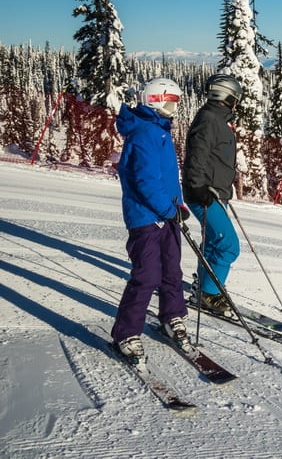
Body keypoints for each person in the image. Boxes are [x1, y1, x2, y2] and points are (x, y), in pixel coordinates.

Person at [111, 77, 192, 370]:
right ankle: (127, 334)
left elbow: (166, 177)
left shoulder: (159, 130)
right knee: (146, 275)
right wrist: (167, 209)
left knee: (172, 269)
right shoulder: (145, 133)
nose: (175, 107)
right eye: (172, 101)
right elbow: (145, 183)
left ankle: (172, 316)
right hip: (146, 218)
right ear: (156, 101)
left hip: (165, 212)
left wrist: (178, 205)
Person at [182, 74, 243, 318]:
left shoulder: (216, 118)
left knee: (213, 243)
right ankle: (208, 294)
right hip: (204, 193)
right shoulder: (210, 119)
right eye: (236, 97)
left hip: (214, 192)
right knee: (228, 246)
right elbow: (197, 154)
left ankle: (204, 287)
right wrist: (198, 187)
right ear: (228, 96)